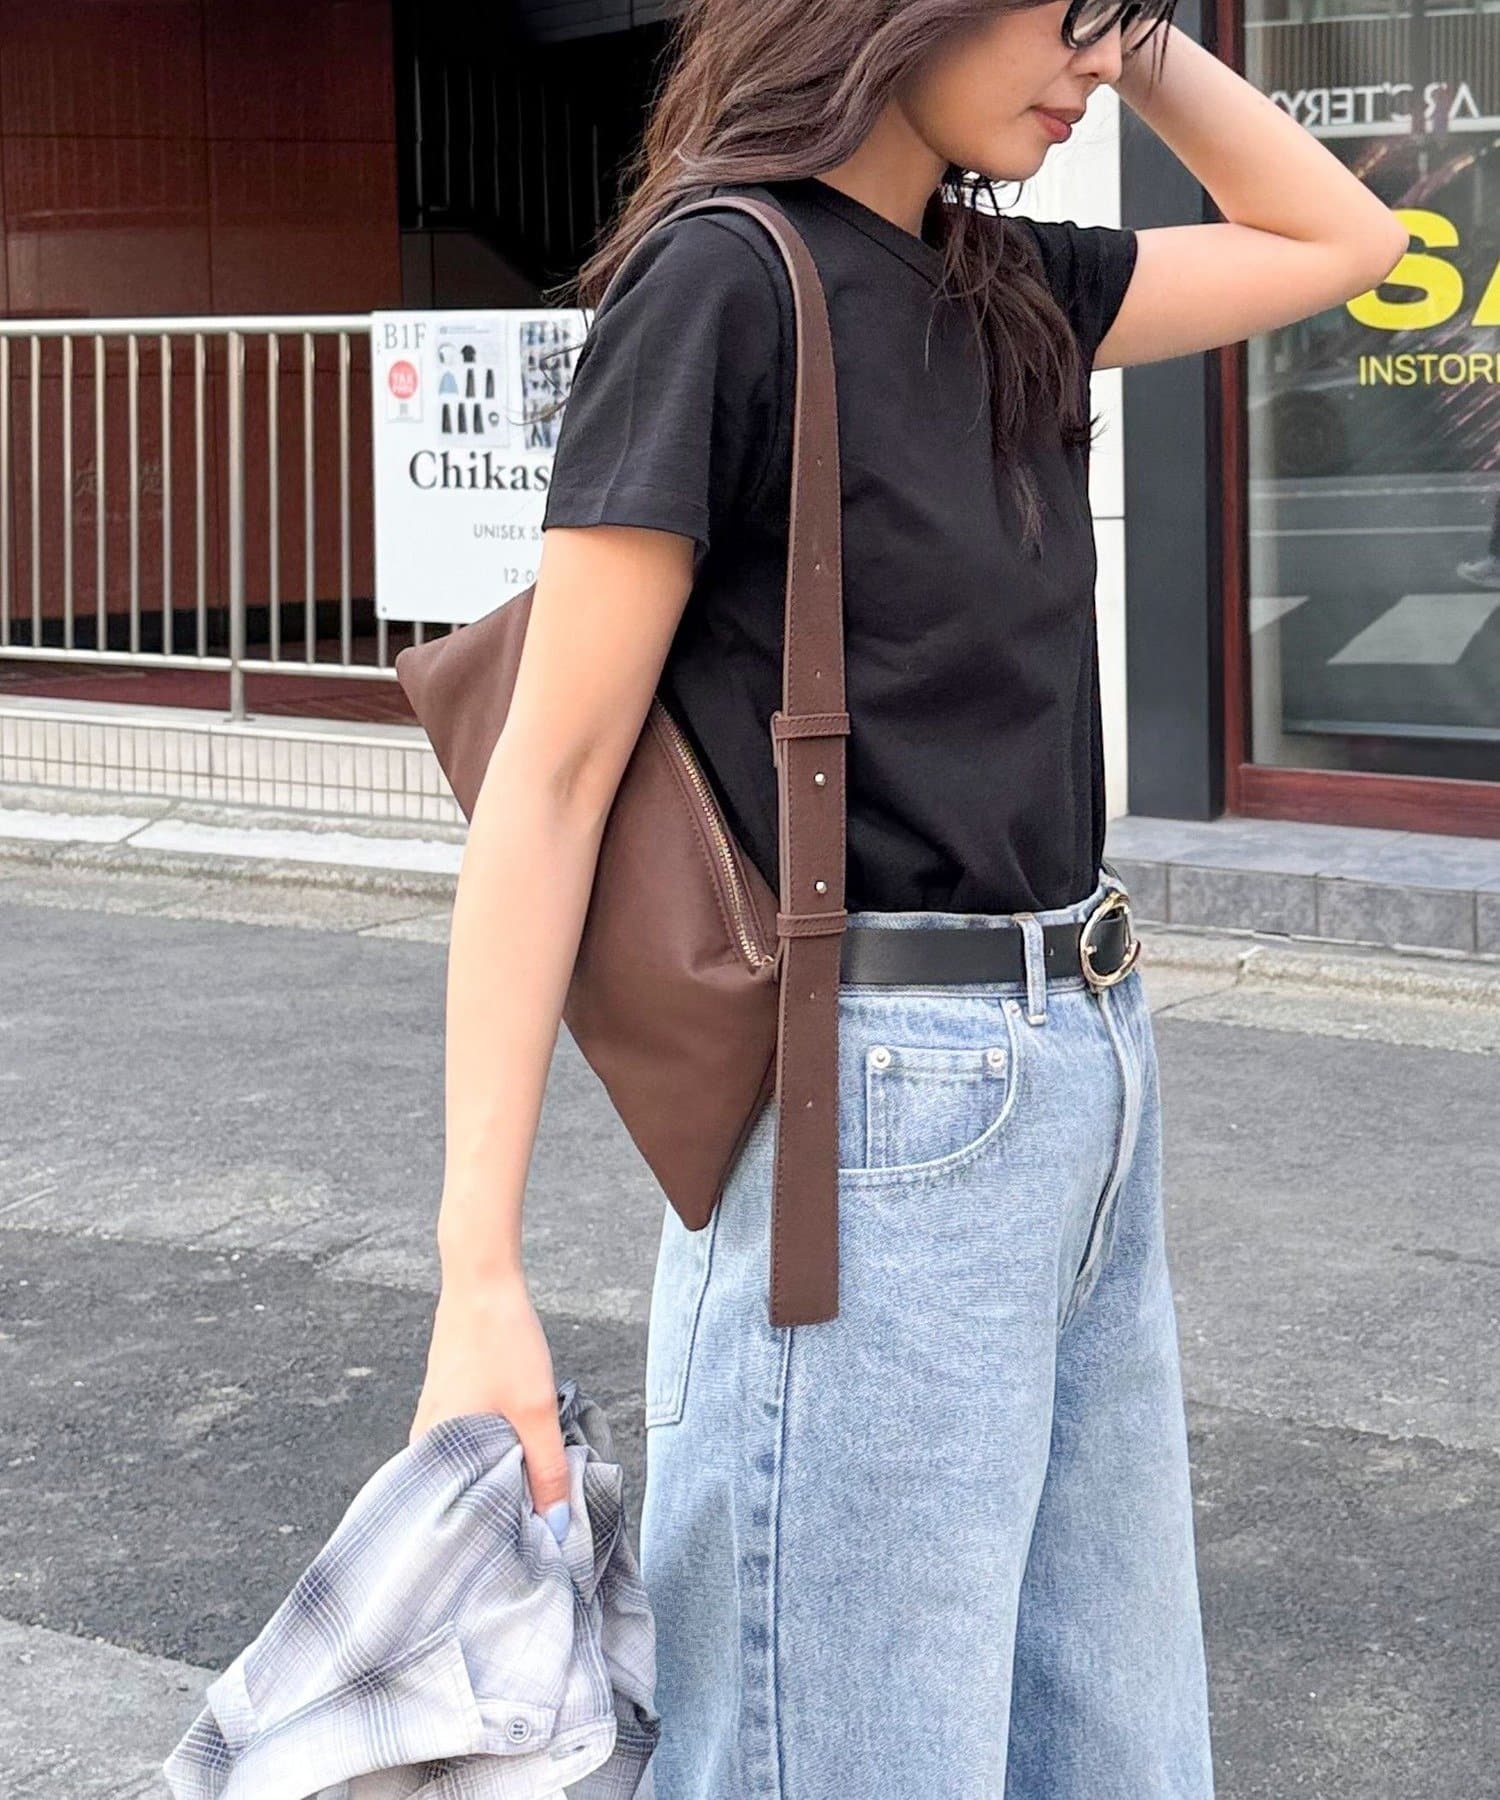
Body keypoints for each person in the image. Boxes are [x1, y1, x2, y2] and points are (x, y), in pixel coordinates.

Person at [406, 0, 1409, 1793]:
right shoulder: (726, 281)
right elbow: (550, 781)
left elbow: (1344, 239)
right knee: (854, 1752)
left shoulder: (1005, 280)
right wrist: (477, 1266)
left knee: (1112, 1747)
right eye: (1067, 17)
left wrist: (1141, 39)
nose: (1093, 66)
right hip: (874, 1104)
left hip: (1087, 1061)